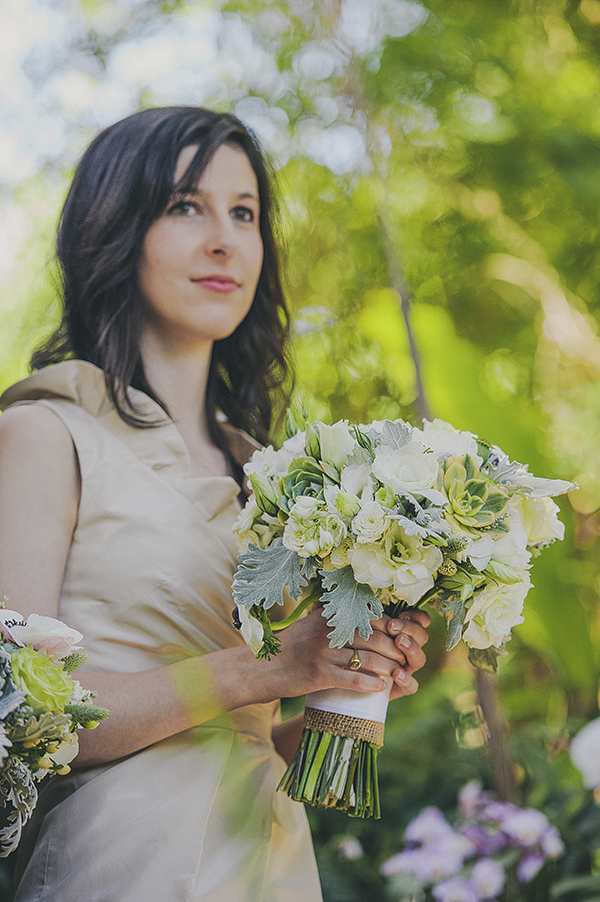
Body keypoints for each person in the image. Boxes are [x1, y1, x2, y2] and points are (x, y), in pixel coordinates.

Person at [0, 106, 431, 902]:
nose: (225, 239)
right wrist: (264, 666)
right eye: (184, 206)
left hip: (269, 863)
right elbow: (19, 713)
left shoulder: (273, 475)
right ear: (116, 228)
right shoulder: (44, 432)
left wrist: (349, 686)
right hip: (122, 864)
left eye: (244, 213)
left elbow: (246, 741)